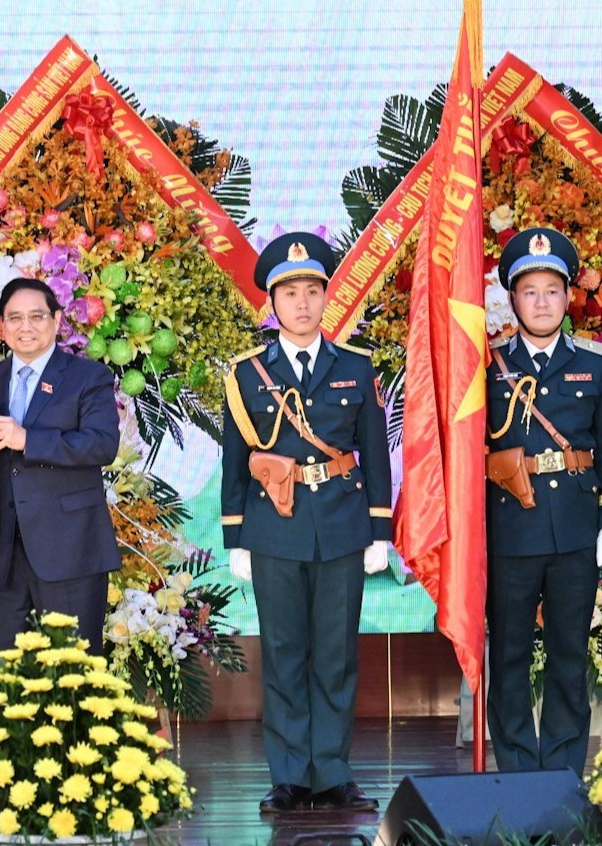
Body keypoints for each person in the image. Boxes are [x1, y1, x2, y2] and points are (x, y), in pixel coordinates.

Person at [221, 232, 392, 815]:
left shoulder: (354, 366)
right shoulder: (246, 375)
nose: (301, 303)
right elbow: (234, 459)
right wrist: (235, 535)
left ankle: (333, 772)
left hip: (343, 524)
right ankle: (290, 774)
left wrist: (379, 530)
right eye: (289, 292)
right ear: (272, 302)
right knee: (285, 651)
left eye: (312, 291)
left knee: (338, 654)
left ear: (326, 299)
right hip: (273, 527)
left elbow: (375, 452)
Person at [483, 229, 602, 777]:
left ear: (568, 297)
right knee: (511, 656)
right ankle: (519, 771)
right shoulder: (488, 363)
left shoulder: (593, 364)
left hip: (574, 530)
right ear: (513, 299)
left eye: (551, 290)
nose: (541, 302)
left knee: (570, 655)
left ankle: (564, 773)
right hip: (509, 531)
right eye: (530, 292)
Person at [0, 276, 121, 648]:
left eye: (36, 316)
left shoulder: (89, 377)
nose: (26, 326)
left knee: (76, 675)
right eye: (14, 318)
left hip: (70, 550)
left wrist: (27, 439)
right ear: (1, 327)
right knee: (8, 677)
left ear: (57, 320)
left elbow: (101, 445)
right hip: (3, 553)